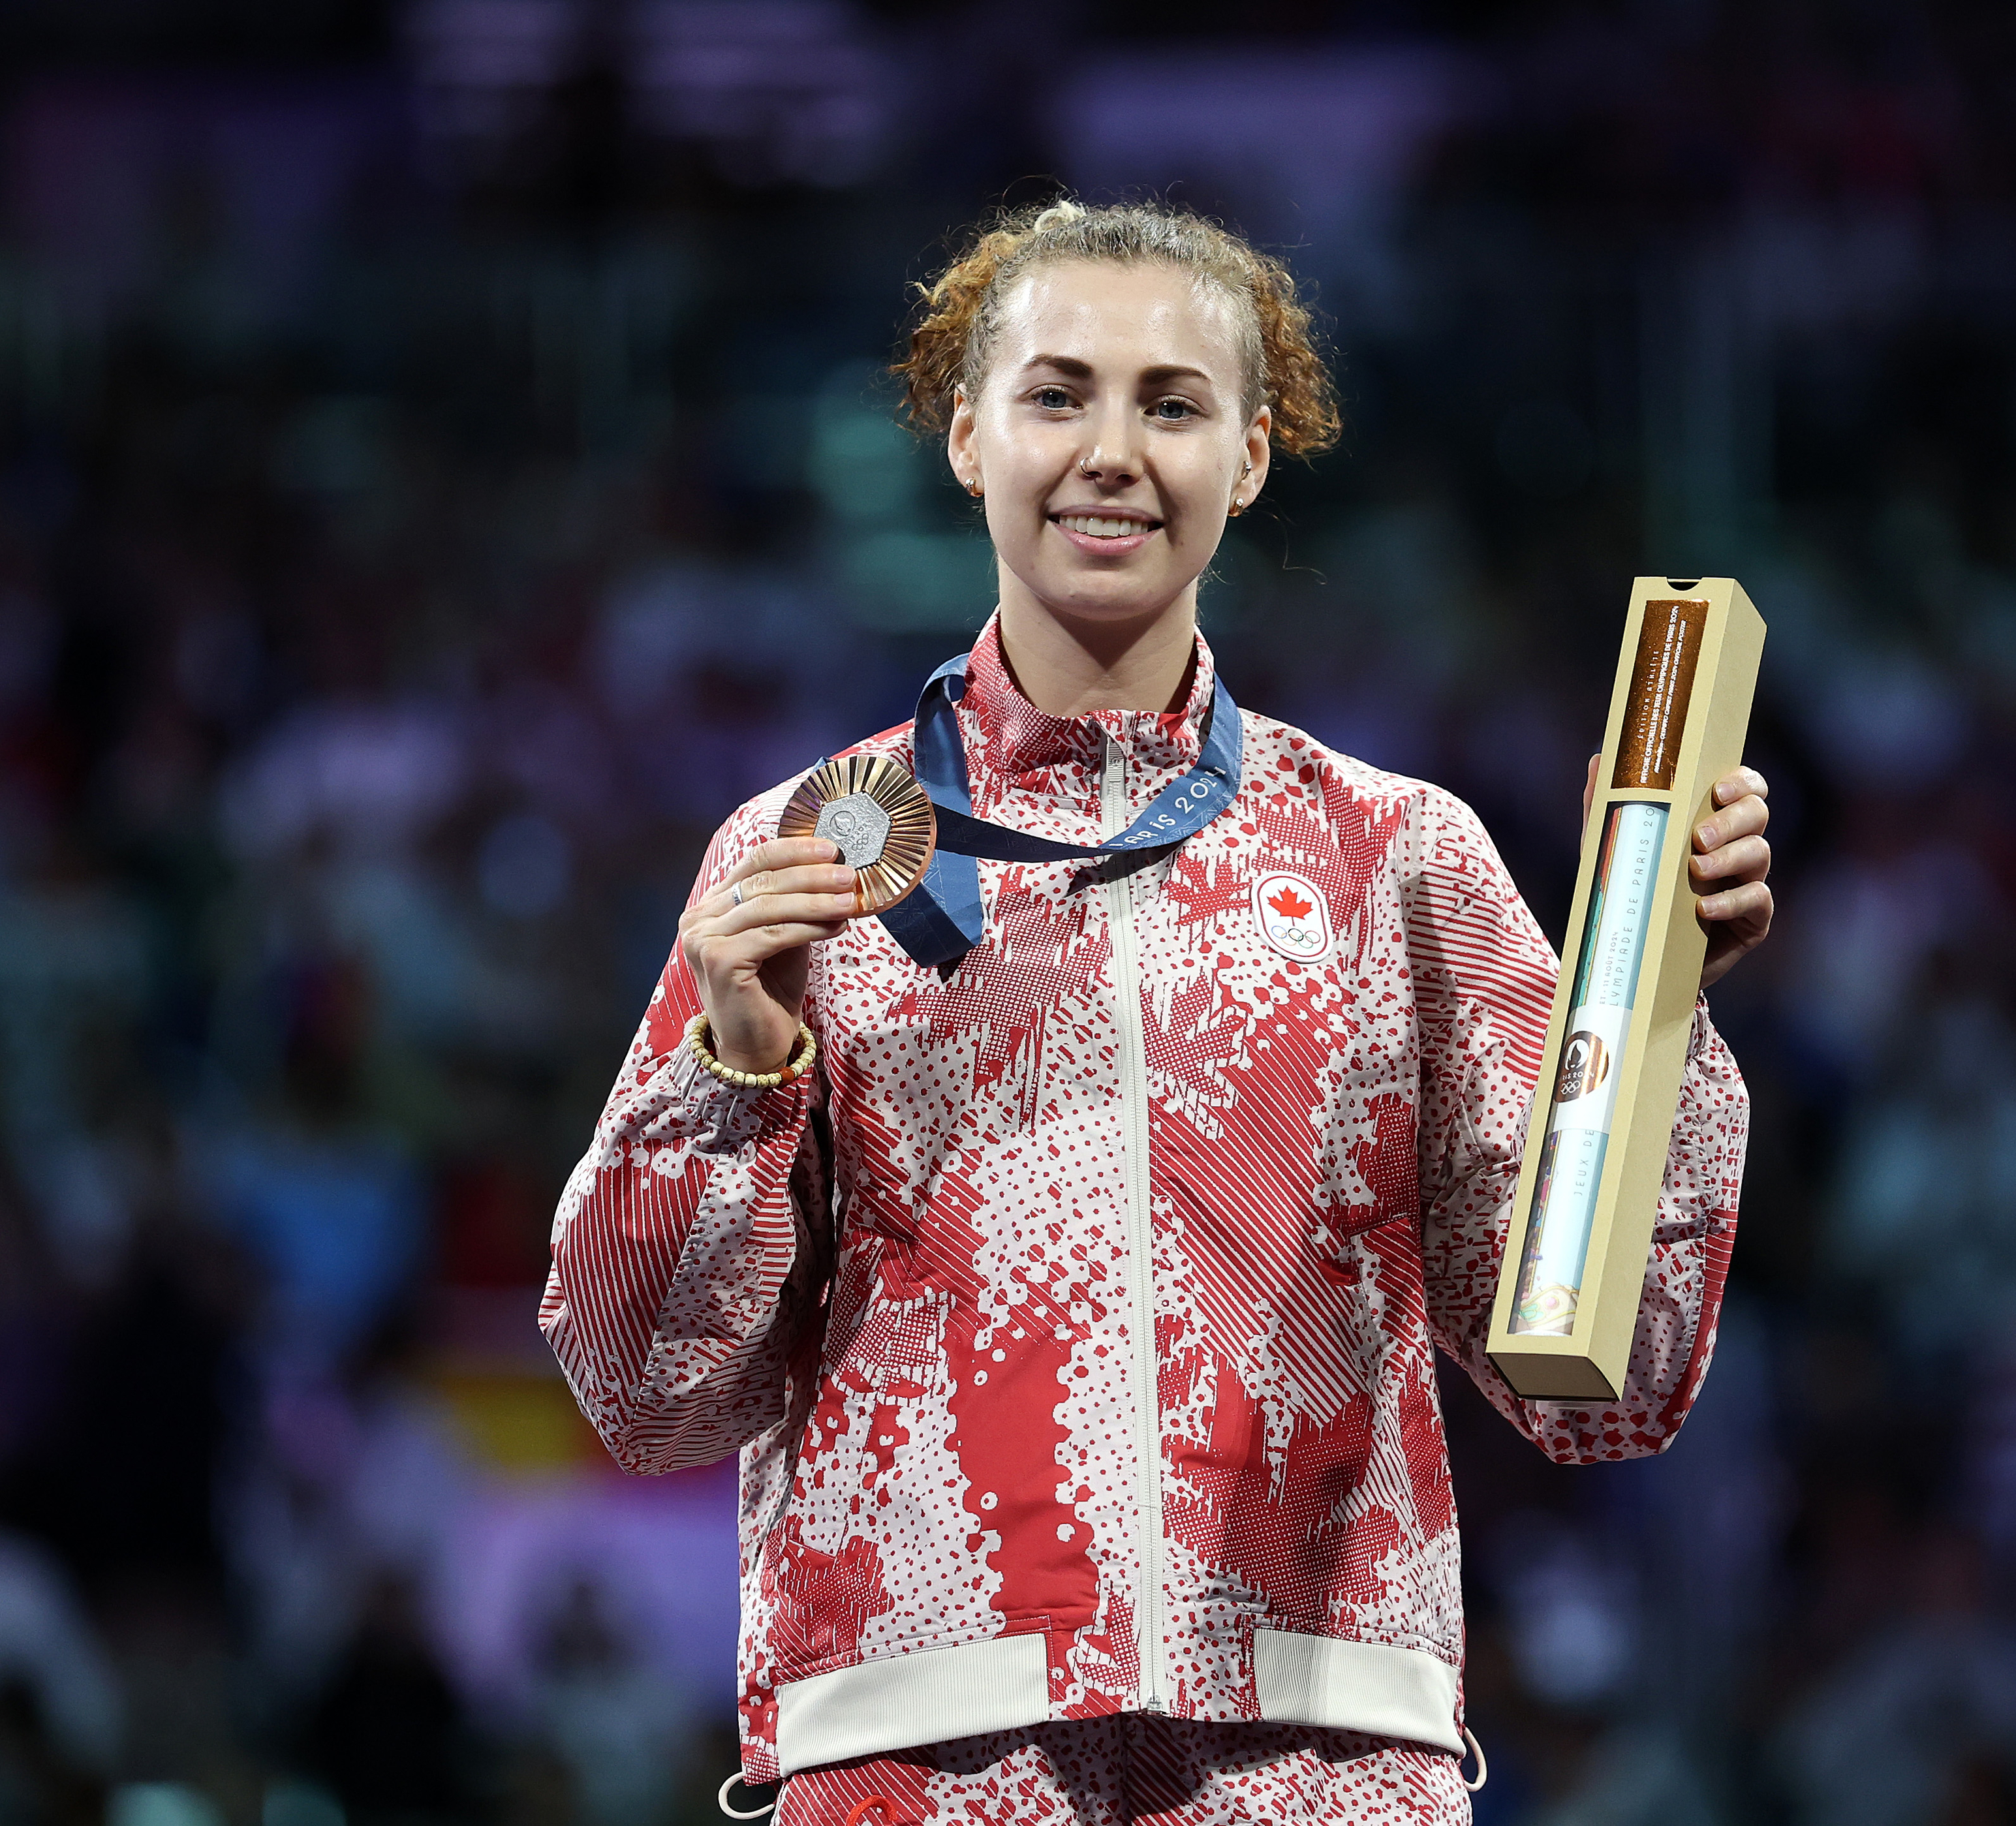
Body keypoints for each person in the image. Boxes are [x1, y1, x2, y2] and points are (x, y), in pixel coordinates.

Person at [541, 198, 1773, 1825]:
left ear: (1248, 458)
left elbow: (1599, 1385)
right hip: (917, 1756)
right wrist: (737, 1073)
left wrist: (1658, 1004)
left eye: (1170, 405)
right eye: (1056, 395)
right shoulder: (802, 854)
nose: (1110, 452)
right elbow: (646, 1400)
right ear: (966, 436)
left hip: (1317, 1757)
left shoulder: (1396, 856)